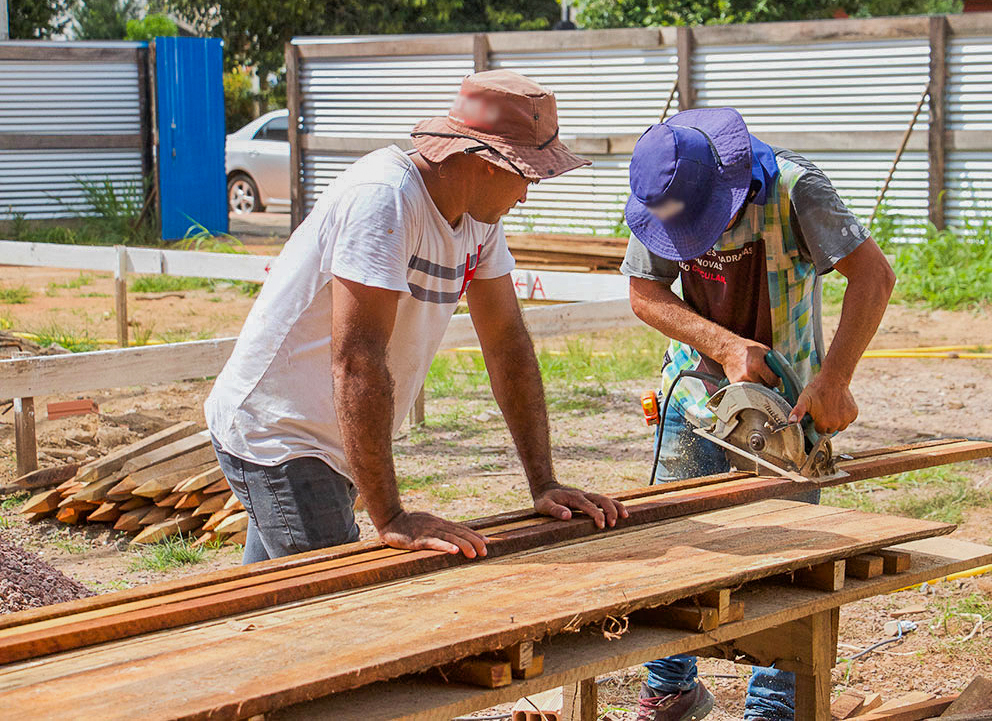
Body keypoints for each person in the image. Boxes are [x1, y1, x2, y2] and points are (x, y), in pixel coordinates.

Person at [205, 70, 627, 566]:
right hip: (281, 431)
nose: (527, 194)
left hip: (332, 430)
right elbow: (357, 361)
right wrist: (391, 518)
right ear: (486, 162)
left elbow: (507, 343)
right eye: (527, 174)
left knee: (267, 604)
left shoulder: (479, 220)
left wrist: (544, 483)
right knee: (334, 604)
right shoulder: (385, 199)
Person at [620, 107, 895, 721]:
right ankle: (670, 689)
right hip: (694, 392)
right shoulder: (660, 194)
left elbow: (874, 277)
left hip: (786, 407)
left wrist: (836, 379)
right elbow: (644, 291)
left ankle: (772, 707)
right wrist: (723, 346)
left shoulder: (799, 191)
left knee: (784, 557)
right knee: (676, 541)